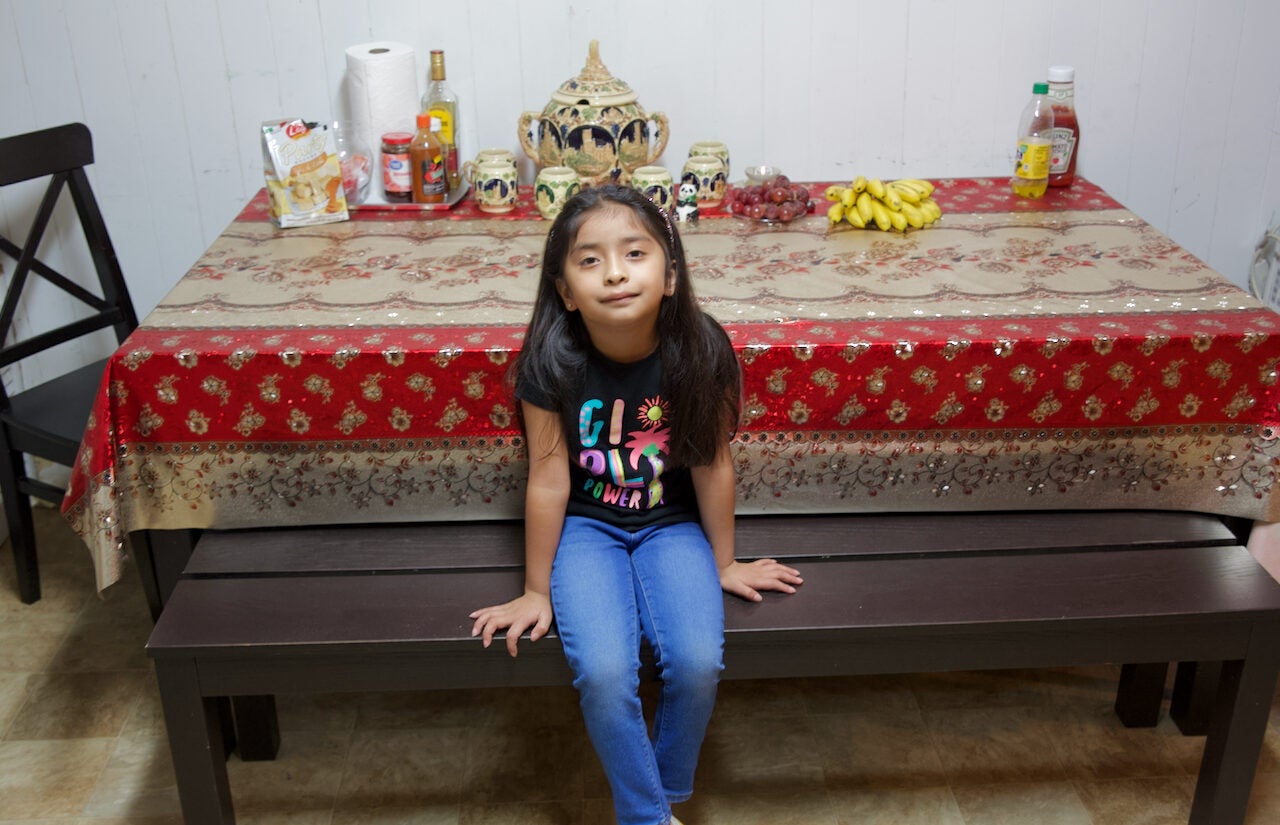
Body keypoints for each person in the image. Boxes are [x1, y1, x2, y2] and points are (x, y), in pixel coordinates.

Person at [469, 184, 803, 825]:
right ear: (564, 289)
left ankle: (665, 794)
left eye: (634, 253)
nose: (615, 272)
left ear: (670, 274)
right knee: (602, 671)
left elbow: (712, 463)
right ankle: (647, 818)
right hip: (586, 529)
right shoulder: (549, 361)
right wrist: (537, 590)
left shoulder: (702, 351)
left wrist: (725, 562)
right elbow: (547, 480)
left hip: (671, 526)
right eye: (589, 260)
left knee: (699, 662)